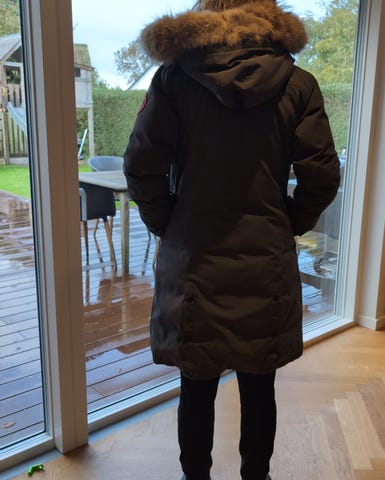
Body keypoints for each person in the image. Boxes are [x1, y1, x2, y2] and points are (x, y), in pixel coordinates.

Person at [123, 1, 340, 479]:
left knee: (196, 386)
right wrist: (288, 223)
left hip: (193, 261)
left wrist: (168, 223)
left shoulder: (173, 81)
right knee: (260, 387)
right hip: (265, 261)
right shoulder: (298, 84)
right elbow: (322, 177)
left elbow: (141, 167)